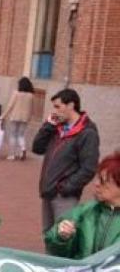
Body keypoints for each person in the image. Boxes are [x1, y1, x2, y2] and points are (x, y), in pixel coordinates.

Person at [33, 88, 100, 248]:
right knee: (49, 235)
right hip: (48, 191)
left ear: (71, 105)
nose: (55, 111)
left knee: (63, 238)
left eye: (58, 107)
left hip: (65, 196)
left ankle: (62, 270)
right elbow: (37, 147)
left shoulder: (87, 133)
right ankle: (50, 268)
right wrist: (48, 125)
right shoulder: (57, 128)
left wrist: (65, 187)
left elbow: (89, 168)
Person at [0, 77, 35, 161]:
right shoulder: (31, 96)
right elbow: (32, 108)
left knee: (13, 135)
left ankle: (12, 155)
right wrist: (30, 117)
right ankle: (22, 149)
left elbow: (10, 106)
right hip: (25, 118)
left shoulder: (16, 93)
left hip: (15, 116)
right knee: (21, 135)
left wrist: (3, 115)